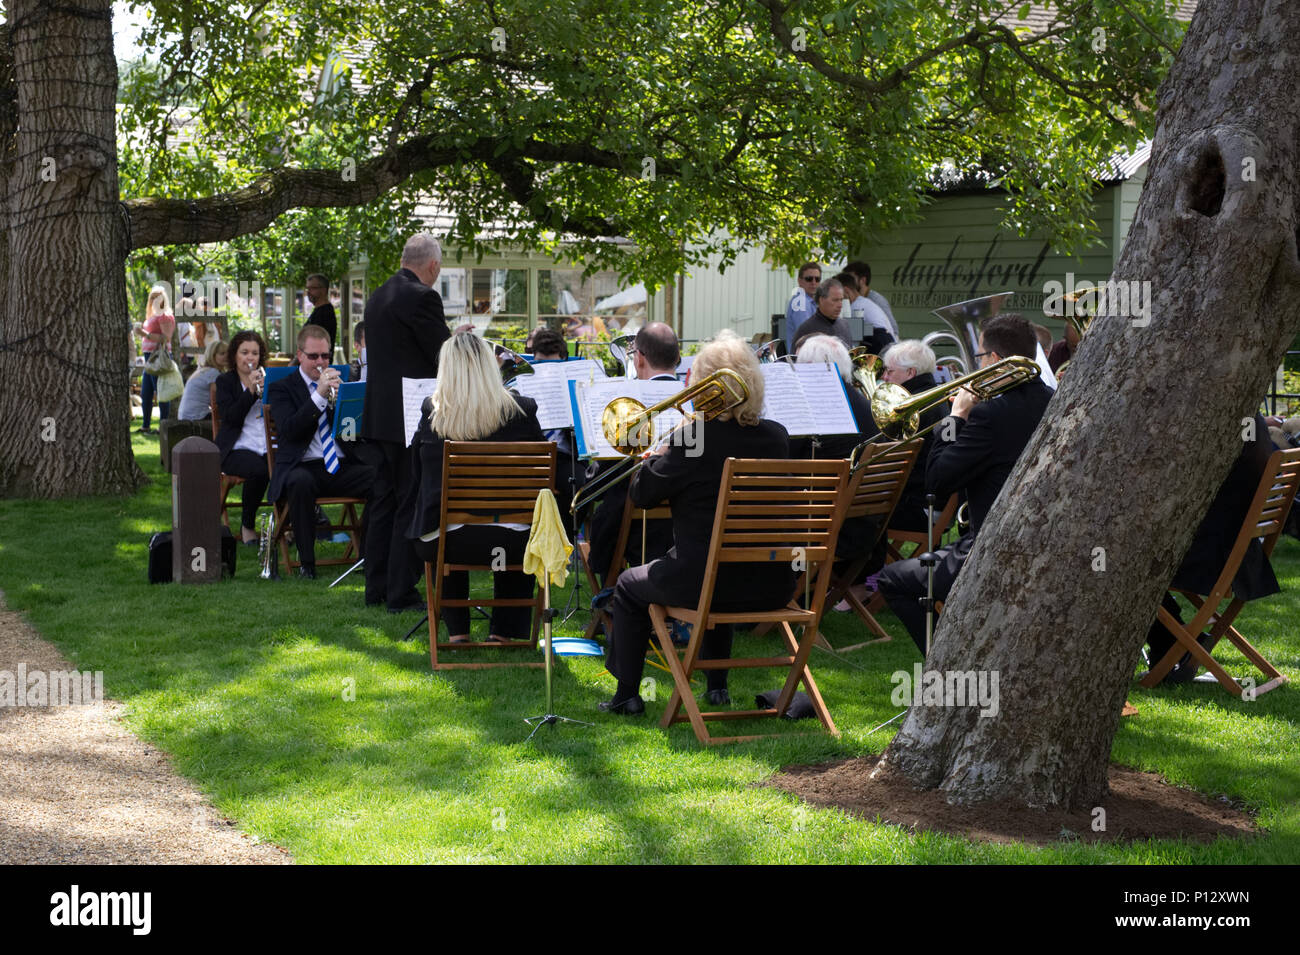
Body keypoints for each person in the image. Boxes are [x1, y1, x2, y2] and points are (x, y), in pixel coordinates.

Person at [598, 331, 794, 715]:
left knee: (627, 584)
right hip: (772, 584)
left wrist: (663, 452)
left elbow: (641, 496)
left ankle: (626, 695)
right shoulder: (777, 437)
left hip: (705, 585)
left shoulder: (693, 439)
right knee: (718, 562)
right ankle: (716, 688)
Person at [876, 314, 1052, 654]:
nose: (977, 364)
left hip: (988, 550)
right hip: (1037, 544)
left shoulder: (989, 415)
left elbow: (938, 481)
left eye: (981, 356)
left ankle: (950, 662)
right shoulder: (1051, 399)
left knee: (893, 579)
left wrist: (955, 417)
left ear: (996, 360)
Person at [402, 333, 546, 642]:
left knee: (445, 518)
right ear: (489, 367)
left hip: (447, 544)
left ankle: (458, 633)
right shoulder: (523, 410)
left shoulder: (432, 414)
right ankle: (505, 632)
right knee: (513, 522)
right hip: (515, 544)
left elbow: (418, 481)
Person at [1146, 412, 1280, 683]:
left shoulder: (1219, 419)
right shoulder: (1249, 419)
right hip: (1242, 556)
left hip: (1215, 558)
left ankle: (1174, 643)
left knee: (1125, 569)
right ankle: (1177, 642)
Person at [361, 233, 452, 611]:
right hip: (408, 415)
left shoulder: (379, 294)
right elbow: (444, 356)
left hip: (378, 415)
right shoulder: (423, 296)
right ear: (432, 266)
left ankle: (376, 587)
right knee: (408, 502)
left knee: (383, 501)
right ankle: (400, 592)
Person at [266, 325, 376, 579]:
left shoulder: (342, 384)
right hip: (302, 465)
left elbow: (351, 435)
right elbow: (290, 431)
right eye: (313, 356)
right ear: (300, 355)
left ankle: (367, 557)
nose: (320, 362)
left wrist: (346, 407)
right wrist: (318, 396)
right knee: (301, 483)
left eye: (325, 356)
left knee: (381, 479)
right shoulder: (282, 388)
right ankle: (307, 564)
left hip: (339, 463)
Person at [583, 322, 680, 586]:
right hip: (682, 529)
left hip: (633, 532)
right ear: (679, 358)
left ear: (638, 358)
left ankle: (611, 596)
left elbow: (603, 480)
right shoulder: (694, 402)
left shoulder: (623, 405)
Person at [878, 340, 947, 532]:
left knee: (850, 515)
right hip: (934, 505)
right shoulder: (936, 397)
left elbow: (888, 463)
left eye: (890, 371)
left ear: (910, 373)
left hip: (919, 506)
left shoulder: (911, 408)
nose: (884, 377)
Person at [215, 331, 271, 545]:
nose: (250, 358)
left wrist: (269, 395)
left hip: (266, 442)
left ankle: (288, 524)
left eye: (255, 353)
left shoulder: (268, 377)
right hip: (235, 448)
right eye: (245, 352)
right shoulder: (225, 382)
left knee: (290, 465)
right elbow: (230, 417)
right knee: (260, 470)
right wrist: (250, 391)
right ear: (234, 355)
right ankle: (247, 525)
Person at [791, 334, 875, 459]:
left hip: (821, 476)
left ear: (810, 367)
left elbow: (788, 452)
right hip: (863, 477)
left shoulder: (811, 407)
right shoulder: (867, 405)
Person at [135, 286, 176, 435]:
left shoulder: (165, 316)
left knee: (161, 392)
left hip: (159, 357)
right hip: (148, 357)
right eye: (152, 297)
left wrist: (143, 333)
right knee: (146, 393)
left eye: (158, 297)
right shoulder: (152, 315)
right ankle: (146, 425)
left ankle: (163, 426)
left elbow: (166, 338)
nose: (154, 300)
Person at [834, 269, 892, 352]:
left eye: (839, 294)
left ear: (846, 290)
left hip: (879, 346)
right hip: (888, 345)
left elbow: (852, 342)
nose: (839, 299)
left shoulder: (855, 308)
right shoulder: (866, 303)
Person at [792, 278, 852, 352]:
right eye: (835, 300)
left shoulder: (844, 325)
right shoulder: (806, 329)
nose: (840, 305)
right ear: (821, 300)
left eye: (841, 300)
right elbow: (796, 360)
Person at [178, 338, 229, 422]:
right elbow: (216, 402)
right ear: (212, 356)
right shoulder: (213, 373)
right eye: (222, 354)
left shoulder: (202, 370)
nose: (226, 356)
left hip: (184, 415)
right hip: (195, 417)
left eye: (228, 353)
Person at [845, 261, 898, 340]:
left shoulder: (877, 300)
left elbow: (893, 330)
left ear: (862, 280)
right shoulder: (851, 300)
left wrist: (858, 329)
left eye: (850, 279)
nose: (847, 282)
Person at [784, 261, 821, 352]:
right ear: (799, 281)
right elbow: (808, 336)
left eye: (817, 279)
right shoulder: (801, 302)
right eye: (809, 279)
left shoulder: (810, 302)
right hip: (802, 361)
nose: (813, 282)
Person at [305, 274, 337, 352]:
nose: (308, 292)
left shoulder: (325, 313)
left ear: (323, 290)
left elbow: (315, 344)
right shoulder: (318, 311)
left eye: (312, 288)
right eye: (307, 288)